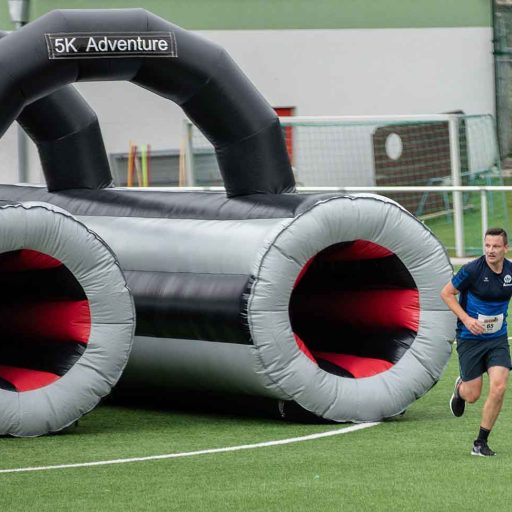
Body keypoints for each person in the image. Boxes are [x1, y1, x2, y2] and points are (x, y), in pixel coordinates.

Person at [440, 227, 512, 457]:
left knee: (500, 386)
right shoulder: (472, 270)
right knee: (472, 395)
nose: (490, 250)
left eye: (496, 246)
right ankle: (460, 389)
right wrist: (466, 318)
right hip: (470, 339)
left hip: (497, 339)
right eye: (487, 245)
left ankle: (480, 442)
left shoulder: (511, 271)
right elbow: (446, 293)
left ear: (505, 248)